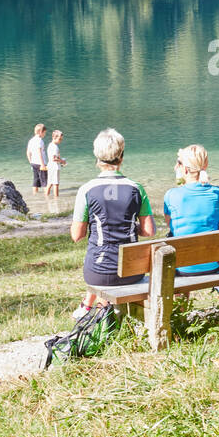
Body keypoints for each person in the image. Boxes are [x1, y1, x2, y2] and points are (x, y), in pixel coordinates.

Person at [70, 128, 155, 319]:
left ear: (97, 158)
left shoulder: (87, 189)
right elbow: (149, 231)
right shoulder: (136, 188)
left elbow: (77, 236)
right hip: (132, 271)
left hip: (98, 272)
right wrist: (131, 226)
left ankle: (101, 316)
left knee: (100, 268)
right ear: (121, 156)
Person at [163, 144, 219, 278]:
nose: (175, 167)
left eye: (178, 163)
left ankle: (182, 299)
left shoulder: (171, 195)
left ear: (185, 169)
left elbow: (171, 225)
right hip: (213, 264)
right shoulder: (217, 193)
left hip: (183, 267)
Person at [27, 124, 48, 194]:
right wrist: (43, 164)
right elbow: (39, 152)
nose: (45, 134)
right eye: (44, 133)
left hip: (33, 163)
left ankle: (35, 194)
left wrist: (31, 162)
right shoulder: (40, 141)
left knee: (35, 180)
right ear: (40, 132)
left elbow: (28, 152)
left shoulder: (31, 140)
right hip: (40, 163)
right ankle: (47, 195)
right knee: (45, 181)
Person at [46, 129, 67, 199]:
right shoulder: (55, 147)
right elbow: (54, 159)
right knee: (56, 184)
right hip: (55, 167)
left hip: (50, 166)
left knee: (50, 183)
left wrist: (60, 160)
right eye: (60, 139)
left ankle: (46, 196)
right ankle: (56, 198)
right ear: (54, 137)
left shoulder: (50, 145)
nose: (61, 141)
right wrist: (62, 161)